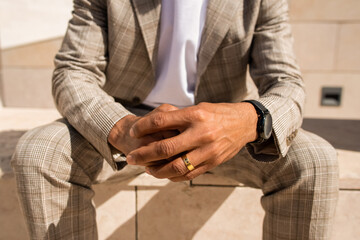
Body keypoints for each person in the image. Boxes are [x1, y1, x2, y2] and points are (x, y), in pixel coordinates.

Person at [11, 0, 339, 239]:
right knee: (39, 153)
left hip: (221, 130)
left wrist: (247, 119)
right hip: (127, 122)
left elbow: (286, 83)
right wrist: (121, 126)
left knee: (315, 159)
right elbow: (73, 72)